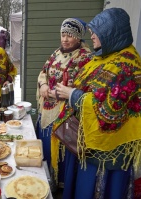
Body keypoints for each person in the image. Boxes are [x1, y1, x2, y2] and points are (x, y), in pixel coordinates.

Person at [53, 8, 141, 198]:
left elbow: (109, 110)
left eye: (96, 32)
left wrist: (73, 95)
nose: (93, 36)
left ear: (111, 32)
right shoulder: (107, 55)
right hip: (88, 140)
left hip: (108, 150)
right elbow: (95, 86)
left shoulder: (125, 64)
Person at [36, 18, 91, 189]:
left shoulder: (85, 57)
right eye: (63, 35)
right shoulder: (56, 54)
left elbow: (82, 86)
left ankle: (59, 183)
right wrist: (44, 84)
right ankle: (46, 177)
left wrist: (57, 93)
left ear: (78, 37)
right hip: (48, 109)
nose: (65, 39)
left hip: (65, 114)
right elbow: (43, 72)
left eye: (70, 36)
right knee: (46, 147)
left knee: (61, 150)